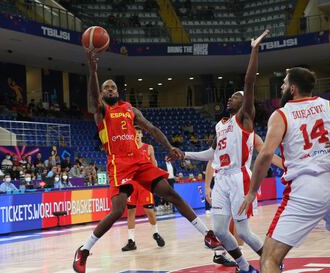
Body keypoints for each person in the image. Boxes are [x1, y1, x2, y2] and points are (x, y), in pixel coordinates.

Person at [73, 51, 222, 273]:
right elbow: (94, 95)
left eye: (113, 87)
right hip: (118, 163)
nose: (110, 90)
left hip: (139, 162)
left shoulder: (130, 110)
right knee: (117, 210)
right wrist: (93, 70)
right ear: (102, 94)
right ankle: (84, 250)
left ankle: (207, 235)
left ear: (118, 91)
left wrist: (169, 147)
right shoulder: (101, 111)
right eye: (106, 88)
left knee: (171, 194)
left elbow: (151, 129)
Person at [238, 67, 330, 273]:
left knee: (270, 257)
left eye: (284, 83)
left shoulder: (281, 114)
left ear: (292, 89)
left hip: (306, 188)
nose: (281, 86)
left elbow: (265, 154)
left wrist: (251, 192)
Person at [181, 30, 282, 273]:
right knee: (219, 230)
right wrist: (184, 154)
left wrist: (254, 50)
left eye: (234, 97)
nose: (230, 99)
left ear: (243, 102)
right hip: (222, 179)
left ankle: (273, 263)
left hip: (239, 177)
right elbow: (210, 154)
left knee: (244, 231)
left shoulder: (244, 118)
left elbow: (249, 83)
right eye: (230, 97)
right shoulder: (220, 125)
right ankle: (244, 266)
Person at [121, 127, 165, 251]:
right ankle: (131, 241)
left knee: (149, 212)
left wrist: (156, 179)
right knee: (131, 212)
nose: (138, 135)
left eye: (139, 133)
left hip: (145, 183)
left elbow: (154, 164)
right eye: (135, 133)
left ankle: (155, 233)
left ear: (142, 135)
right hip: (132, 184)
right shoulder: (128, 148)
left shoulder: (149, 148)